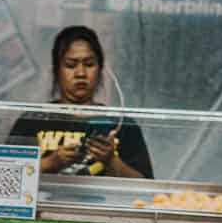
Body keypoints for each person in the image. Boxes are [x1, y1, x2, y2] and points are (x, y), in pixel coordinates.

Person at [9, 26, 153, 179]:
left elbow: (145, 186)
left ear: (100, 69)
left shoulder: (121, 125)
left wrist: (111, 161)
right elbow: (5, 175)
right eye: (70, 65)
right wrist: (50, 163)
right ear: (57, 70)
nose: (81, 73)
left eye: (89, 64)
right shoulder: (33, 120)